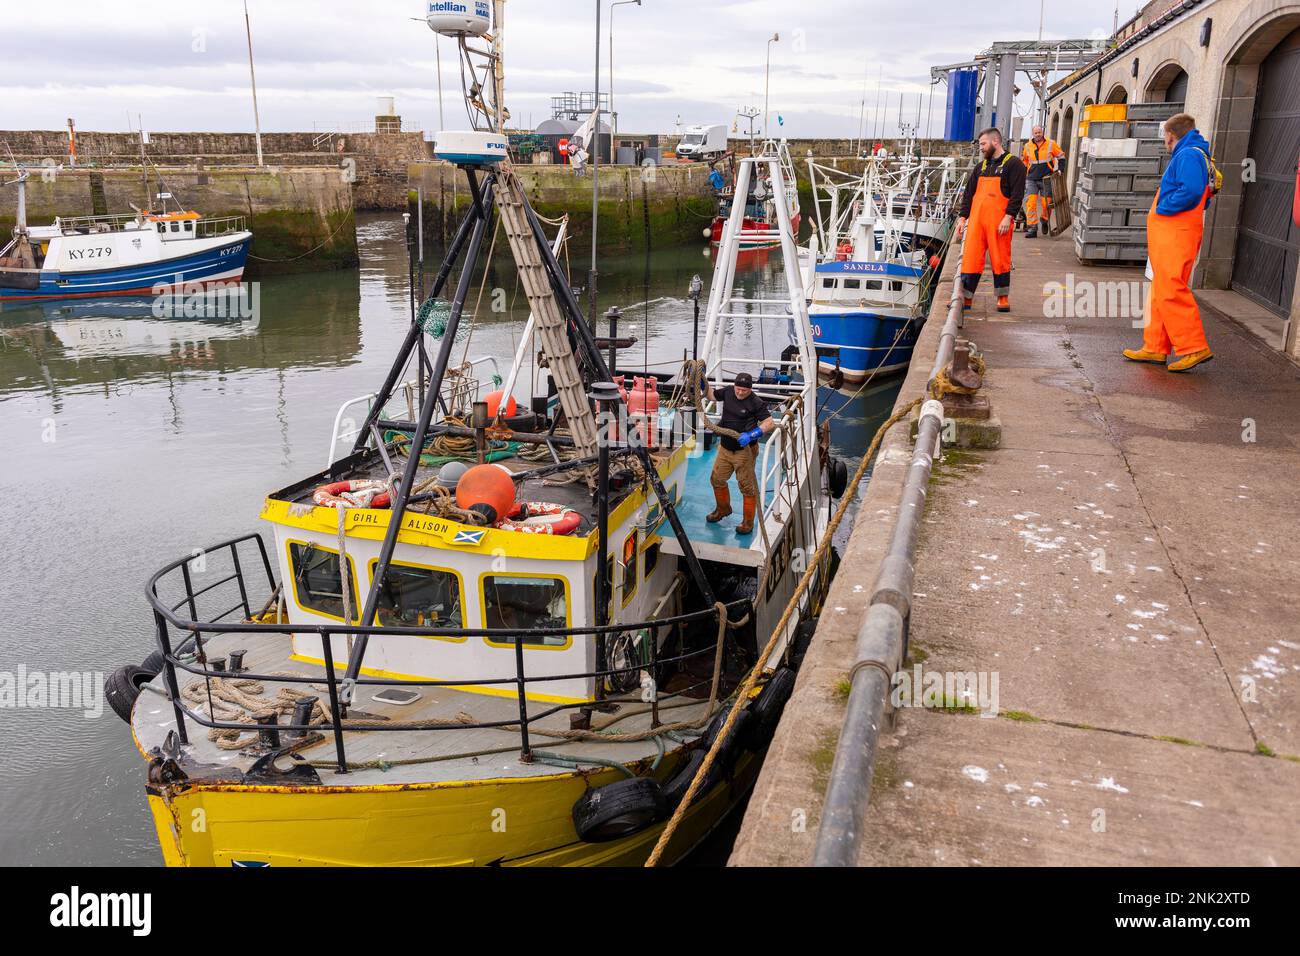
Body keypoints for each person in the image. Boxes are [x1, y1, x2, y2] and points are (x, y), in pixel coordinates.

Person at [1123, 113, 1216, 373]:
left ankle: (1194, 347)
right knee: (1161, 289)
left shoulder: (1187, 155)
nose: (1165, 142)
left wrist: (1162, 208)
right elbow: (1204, 194)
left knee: (1170, 288)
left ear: (1171, 135)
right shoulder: (1199, 154)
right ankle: (1155, 346)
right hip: (1178, 232)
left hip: (1176, 233)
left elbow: (1192, 191)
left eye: (1165, 137)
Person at [955, 127, 1026, 313]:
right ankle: (966, 298)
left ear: (996, 142)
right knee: (970, 258)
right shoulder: (981, 167)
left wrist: (1008, 217)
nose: (981, 148)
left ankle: (1002, 298)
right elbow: (968, 195)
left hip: (999, 222)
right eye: (980, 145)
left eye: (983, 144)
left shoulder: (1014, 165)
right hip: (977, 222)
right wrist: (962, 218)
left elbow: (1017, 195)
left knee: (1000, 258)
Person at [705, 372, 775, 535]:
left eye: (744, 390)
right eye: (738, 388)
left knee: (746, 487)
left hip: (745, 451)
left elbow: (769, 422)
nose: (740, 392)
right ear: (734, 386)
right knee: (717, 479)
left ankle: (748, 523)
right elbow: (711, 396)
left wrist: (753, 434)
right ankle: (723, 509)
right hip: (725, 448)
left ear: (750, 390)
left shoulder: (756, 402)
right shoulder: (728, 391)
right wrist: (702, 382)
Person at [1021, 125, 1065, 238]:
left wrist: (1060, 170)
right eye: (1035, 133)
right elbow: (1025, 161)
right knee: (1030, 203)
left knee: (1047, 204)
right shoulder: (1027, 146)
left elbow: (1061, 156)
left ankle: (1044, 220)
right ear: (1032, 134)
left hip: (1047, 178)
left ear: (1042, 132)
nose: (1037, 134)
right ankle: (1032, 228)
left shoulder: (1051, 143)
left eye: (1039, 132)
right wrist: (1022, 174)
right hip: (1031, 179)